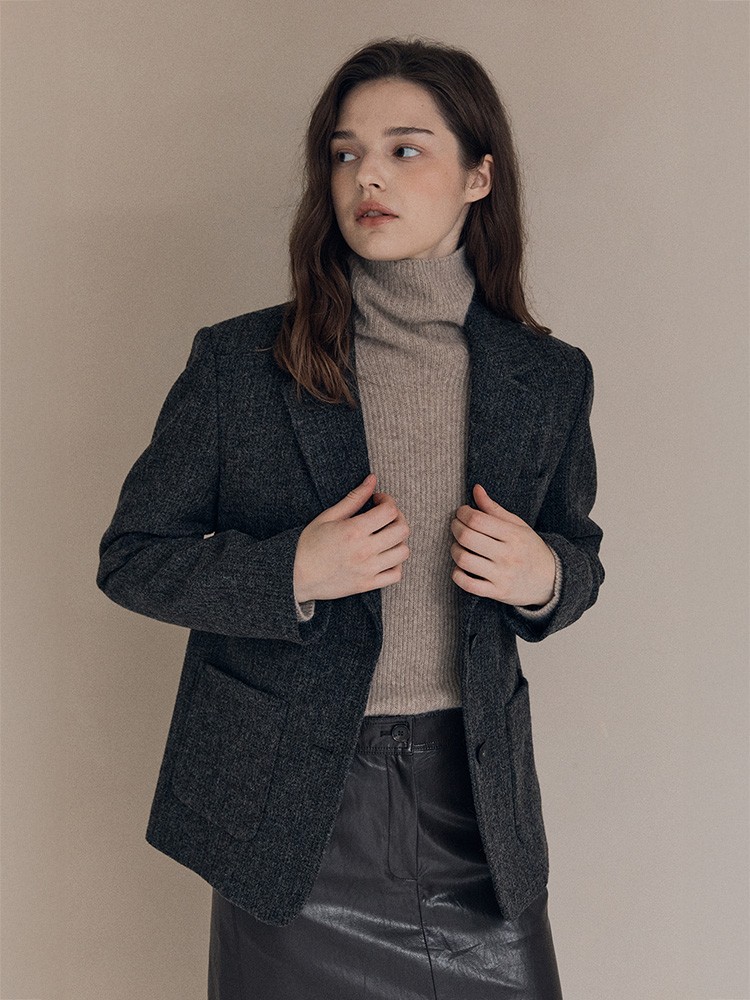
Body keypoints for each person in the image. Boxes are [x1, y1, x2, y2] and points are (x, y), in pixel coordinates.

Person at [97, 35, 604, 1000]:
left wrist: (545, 577)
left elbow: (576, 554)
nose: (367, 175)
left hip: (473, 807)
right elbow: (131, 557)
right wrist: (290, 571)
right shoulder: (240, 365)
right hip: (291, 814)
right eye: (345, 153)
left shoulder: (547, 378)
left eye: (405, 148)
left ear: (479, 176)